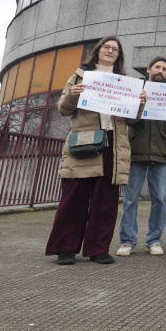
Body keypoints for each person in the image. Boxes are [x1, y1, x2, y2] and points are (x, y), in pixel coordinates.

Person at [45, 36, 134, 265]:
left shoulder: (125, 80)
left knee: (106, 202)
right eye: (107, 47)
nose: (110, 50)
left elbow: (133, 118)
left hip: (113, 143)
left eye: (115, 49)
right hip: (85, 140)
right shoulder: (80, 74)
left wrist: (140, 103)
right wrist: (74, 94)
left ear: (119, 55)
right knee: (74, 197)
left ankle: (98, 249)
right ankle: (66, 248)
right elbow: (63, 109)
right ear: (98, 50)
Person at [116, 56, 166, 257]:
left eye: (164, 69)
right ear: (148, 69)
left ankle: (154, 240)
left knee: (159, 198)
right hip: (136, 150)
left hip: (161, 151)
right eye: (157, 67)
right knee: (130, 199)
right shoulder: (135, 89)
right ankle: (127, 241)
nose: (161, 71)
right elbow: (128, 120)